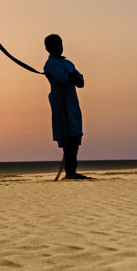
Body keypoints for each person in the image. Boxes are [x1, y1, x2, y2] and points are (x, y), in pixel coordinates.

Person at [44, 35, 88, 179]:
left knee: (75, 137)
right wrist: (72, 76)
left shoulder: (68, 63)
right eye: (55, 45)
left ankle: (71, 171)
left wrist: (72, 76)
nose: (59, 47)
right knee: (67, 139)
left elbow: (80, 81)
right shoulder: (49, 65)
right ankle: (70, 172)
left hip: (72, 105)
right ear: (48, 48)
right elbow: (65, 78)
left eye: (60, 44)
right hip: (61, 105)